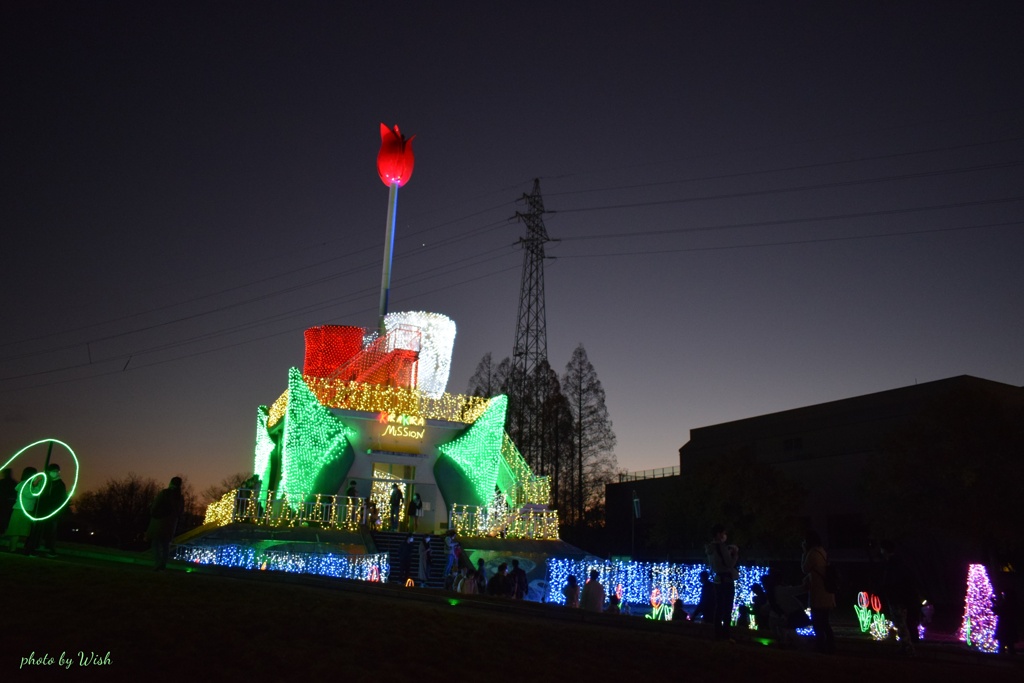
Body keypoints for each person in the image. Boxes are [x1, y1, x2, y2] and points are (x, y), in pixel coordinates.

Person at [879, 539, 919, 655]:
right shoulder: (899, 562)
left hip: (897, 598)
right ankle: (906, 646)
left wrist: (887, 590)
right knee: (901, 622)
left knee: (900, 622)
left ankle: (907, 647)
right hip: (900, 597)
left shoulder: (893, 564)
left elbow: (892, 582)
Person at [801, 530, 836, 654]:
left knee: (817, 622)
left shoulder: (812, 553)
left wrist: (805, 552)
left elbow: (804, 569)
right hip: (827, 593)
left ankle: (821, 646)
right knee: (825, 622)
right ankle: (830, 645)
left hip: (819, 594)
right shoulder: (822, 552)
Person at [24, 463, 67, 557]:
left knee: (51, 531)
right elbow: (36, 492)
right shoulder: (44, 482)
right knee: (36, 530)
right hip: (41, 510)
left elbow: (62, 498)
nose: (55, 473)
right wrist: (35, 484)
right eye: (53, 471)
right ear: (48, 472)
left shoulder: (60, 484)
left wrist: (57, 510)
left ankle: (50, 550)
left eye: (57, 471)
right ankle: (31, 548)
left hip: (52, 512)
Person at [706, 524, 739, 641]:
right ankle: (725, 635)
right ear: (719, 534)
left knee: (719, 607)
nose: (725, 535)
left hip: (717, 580)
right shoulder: (721, 546)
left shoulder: (710, 548)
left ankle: (717, 634)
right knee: (727, 608)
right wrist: (735, 554)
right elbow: (729, 564)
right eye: (724, 533)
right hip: (726, 580)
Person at [147, 477, 185, 571]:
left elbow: (156, 505)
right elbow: (180, 511)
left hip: (160, 520)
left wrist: (153, 512)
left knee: (155, 542)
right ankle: (163, 564)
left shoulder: (165, 493)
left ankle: (157, 563)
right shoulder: (180, 497)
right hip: (171, 523)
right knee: (165, 545)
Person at [5, 466, 39, 552]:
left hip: (24, 511)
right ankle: (12, 549)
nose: (36, 476)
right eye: (35, 474)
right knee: (16, 531)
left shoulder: (28, 485)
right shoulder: (24, 484)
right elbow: (31, 495)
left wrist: (37, 486)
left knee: (18, 531)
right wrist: (39, 486)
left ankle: (12, 548)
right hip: (20, 510)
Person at [0, 468, 16, 538]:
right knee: (6, 519)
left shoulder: (1, 482)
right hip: (9, 504)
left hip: (2, 503)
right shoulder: (13, 483)